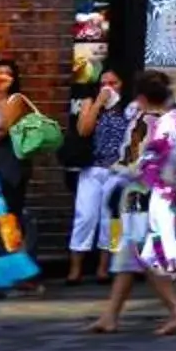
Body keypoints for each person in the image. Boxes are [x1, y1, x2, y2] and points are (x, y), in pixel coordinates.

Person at [88, 71, 176, 336]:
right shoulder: (173, 119)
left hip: (143, 194)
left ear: (143, 96)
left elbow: (140, 163)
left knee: (143, 255)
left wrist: (118, 171)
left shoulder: (147, 122)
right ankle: (110, 316)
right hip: (158, 193)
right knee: (129, 256)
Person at [66, 67, 130, 287]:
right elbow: (84, 130)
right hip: (92, 168)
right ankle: (76, 268)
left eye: (114, 83)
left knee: (111, 221)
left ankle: (105, 266)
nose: (109, 88)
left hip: (118, 171)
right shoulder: (89, 103)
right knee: (85, 216)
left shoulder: (129, 109)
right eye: (105, 83)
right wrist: (98, 103)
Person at [0, 52, 37, 293]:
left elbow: (5, 128)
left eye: (7, 73)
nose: (1, 76)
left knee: (8, 222)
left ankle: (19, 273)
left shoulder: (15, 100)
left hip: (8, 170)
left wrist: (1, 93)